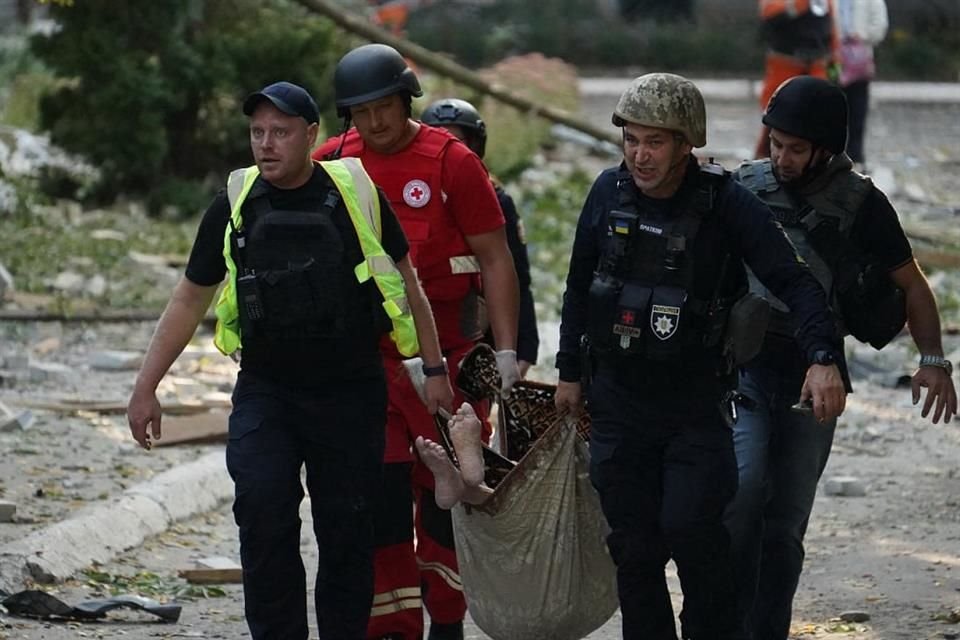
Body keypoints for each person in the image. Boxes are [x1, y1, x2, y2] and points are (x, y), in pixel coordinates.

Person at [126, 81, 453, 640]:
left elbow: (409, 284)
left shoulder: (355, 194)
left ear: (310, 135)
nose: (266, 144)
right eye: (257, 132)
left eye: (280, 132)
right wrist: (146, 386)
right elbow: (189, 295)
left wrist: (435, 370)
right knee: (261, 509)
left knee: (347, 530)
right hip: (267, 388)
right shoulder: (236, 202)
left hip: (349, 390)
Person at [553, 72, 847, 640]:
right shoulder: (605, 194)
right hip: (617, 403)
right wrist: (568, 372)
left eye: (655, 142)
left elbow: (797, 281)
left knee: (693, 534)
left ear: (686, 143)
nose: (640, 155)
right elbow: (578, 287)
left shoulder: (726, 204)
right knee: (634, 551)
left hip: (694, 409)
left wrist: (821, 356)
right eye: (632, 140)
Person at [725, 75, 958, 640]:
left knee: (785, 527)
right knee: (742, 494)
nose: (781, 158)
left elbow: (914, 285)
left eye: (796, 149)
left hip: (817, 380)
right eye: (775, 144)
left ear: (825, 147)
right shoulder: (743, 188)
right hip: (746, 372)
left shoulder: (861, 202)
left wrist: (933, 360)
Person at [313, 44, 520, 640]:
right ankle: (394, 629)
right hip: (369, 371)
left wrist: (504, 352)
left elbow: (496, 258)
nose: (374, 123)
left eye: (384, 108)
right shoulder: (332, 163)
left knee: (445, 503)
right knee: (377, 502)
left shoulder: (453, 163)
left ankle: (448, 623)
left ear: (407, 101)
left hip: (449, 366)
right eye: (361, 112)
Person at [420, 97, 540, 376]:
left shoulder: (495, 200)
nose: (448, 153)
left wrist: (522, 348)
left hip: (480, 332)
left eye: (456, 144)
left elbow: (517, 276)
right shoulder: (413, 199)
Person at [755, 0, 838, 158]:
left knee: (818, 114)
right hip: (785, 64)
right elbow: (768, 14)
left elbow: (832, 30)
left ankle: (816, 159)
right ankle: (766, 160)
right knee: (776, 113)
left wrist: (835, 67)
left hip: (817, 64)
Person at [835, 0, 888, 169]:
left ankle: (855, 156)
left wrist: (862, 36)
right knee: (831, 105)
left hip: (859, 58)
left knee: (858, 108)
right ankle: (832, 154)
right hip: (832, 58)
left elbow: (880, 24)